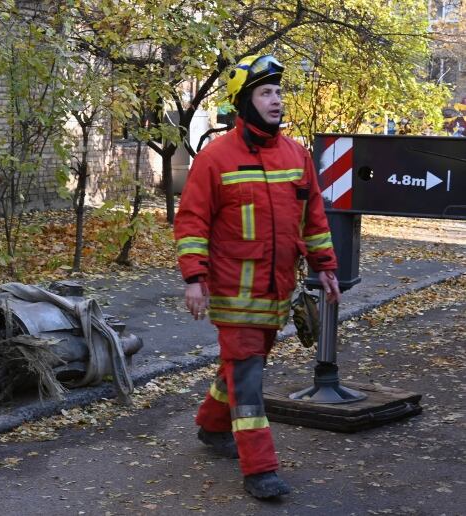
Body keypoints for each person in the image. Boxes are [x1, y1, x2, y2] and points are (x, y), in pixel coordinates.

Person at [173, 55, 341, 499]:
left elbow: (314, 220)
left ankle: (211, 426)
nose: (277, 101)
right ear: (244, 102)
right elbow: (191, 222)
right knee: (249, 376)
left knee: (244, 365)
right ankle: (259, 469)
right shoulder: (215, 158)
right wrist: (194, 277)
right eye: (266, 93)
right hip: (232, 293)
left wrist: (325, 267)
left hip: (277, 292)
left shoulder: (296, 155)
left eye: (278, 92)